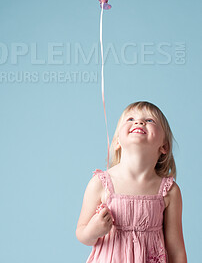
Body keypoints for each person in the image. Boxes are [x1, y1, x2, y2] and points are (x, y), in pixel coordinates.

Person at [76, 101, 187, 262]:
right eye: (130, 119)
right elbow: (82, 234)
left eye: (150, 120)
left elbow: (176, 250)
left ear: (165, 146)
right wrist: (93, 231)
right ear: (117, 142)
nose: (139, 122)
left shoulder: (169, 191)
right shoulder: (100, 183)